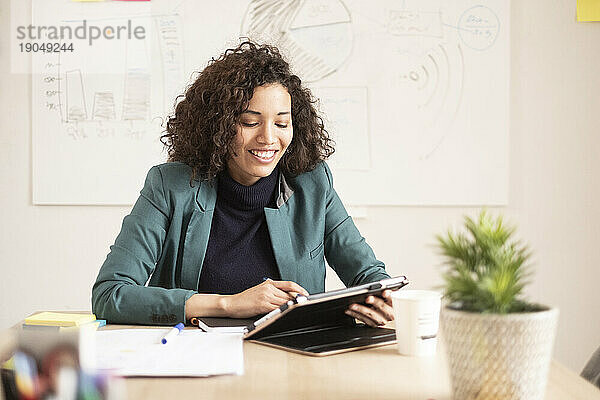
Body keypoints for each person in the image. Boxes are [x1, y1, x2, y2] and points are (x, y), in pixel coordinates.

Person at [91, 41, 394, 327]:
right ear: (218, 126)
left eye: (281, 123)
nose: (268, 138)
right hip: (196, 357)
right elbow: (110, 295)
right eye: (250, 122)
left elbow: (368, 273)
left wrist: (380, 298)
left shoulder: (314, 183)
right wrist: (228, 304)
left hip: (293, 356)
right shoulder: (169, 186)